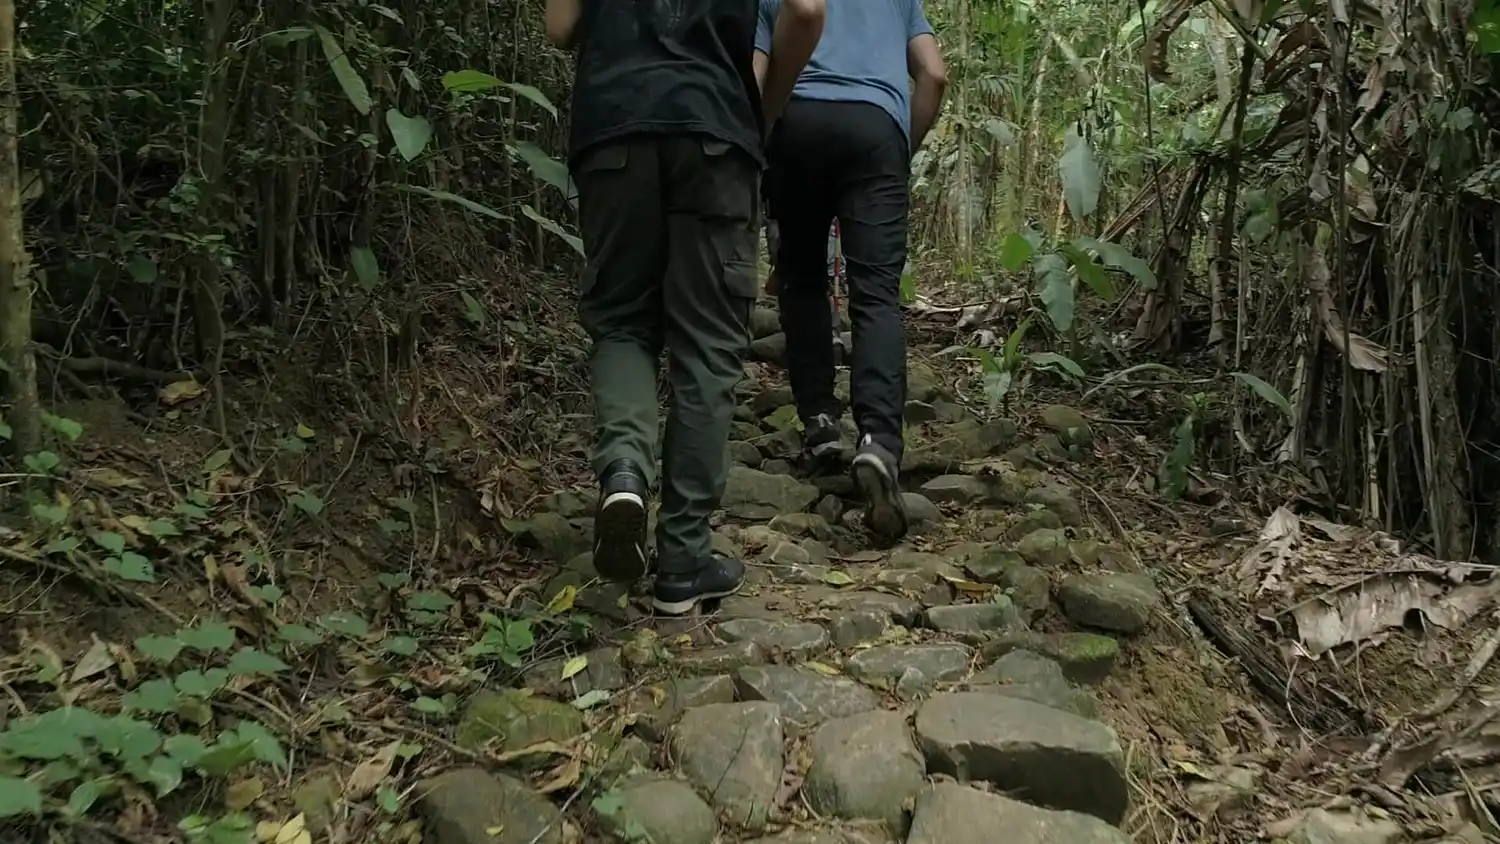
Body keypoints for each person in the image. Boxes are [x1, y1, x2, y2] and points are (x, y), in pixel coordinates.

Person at [545, 0, 824, 615]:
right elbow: (806, 10)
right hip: (714, 129)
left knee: (621, 321)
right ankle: (683, 560)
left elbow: (560, 26)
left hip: (613, 123)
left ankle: (623, 472)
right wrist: (763, 110)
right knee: (708, 345)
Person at [755, 0, 947, 542]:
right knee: (876, 295)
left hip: (799, 122)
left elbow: (759, 65)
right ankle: (879, 442)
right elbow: (934, 75)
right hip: (877, 131)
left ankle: (819, 422)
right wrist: (897, 149)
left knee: (802, 275)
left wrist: (763, 141)